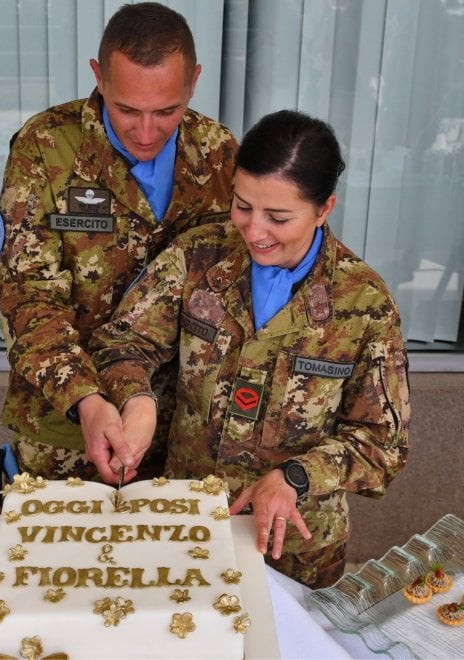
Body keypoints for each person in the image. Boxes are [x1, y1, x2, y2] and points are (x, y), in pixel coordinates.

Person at [88, 109, 411, 588]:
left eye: (278, 217)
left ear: (324, 209)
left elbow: (383, 443)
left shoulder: (363, 303)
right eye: (243, 206)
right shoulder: (197, 256)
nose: (254, 231)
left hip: (294, 550)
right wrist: (137, 399)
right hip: (185, 520)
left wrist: (298, 477)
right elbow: (123, 342)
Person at [0, 2, 238, 484]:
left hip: (183, 426)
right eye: (126, 109)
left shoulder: (219, 153)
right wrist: (86, 398)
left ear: (195, 81)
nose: (147, 132)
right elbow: (26, 295)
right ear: (99, 77)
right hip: (68, 420)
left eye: (167, 110)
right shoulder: (45, 148)